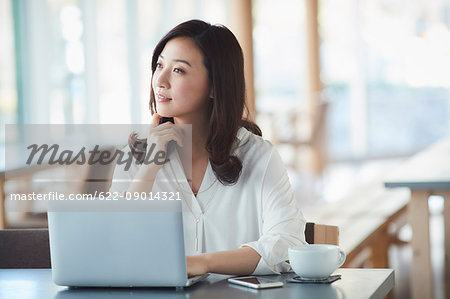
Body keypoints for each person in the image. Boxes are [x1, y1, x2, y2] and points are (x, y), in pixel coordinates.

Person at [109, 19, 306, 277]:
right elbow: (113, 243)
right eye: (159, 65)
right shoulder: (134, 157)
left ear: (214, 86)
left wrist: (203, 263)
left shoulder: (259, 157)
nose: (161, 80)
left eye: (178, 70)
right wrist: (149, 168)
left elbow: (287, 245)